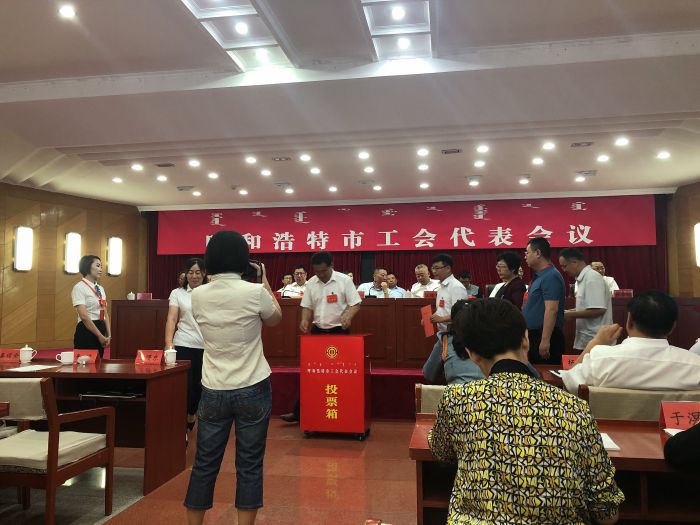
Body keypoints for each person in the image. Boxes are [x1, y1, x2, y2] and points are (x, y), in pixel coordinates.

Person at [429, 299, 624, 524]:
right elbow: (607, 514)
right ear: (526, 339)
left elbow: (441, 451)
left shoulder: (457, 399)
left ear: (472, 354)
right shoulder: (574, 407)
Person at [184, 231, 281, 525]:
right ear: (244, 259)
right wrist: (263, 280)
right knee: (249, 464)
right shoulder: (255, 291)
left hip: (213, 387)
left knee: (204, 463)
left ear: (210, 260)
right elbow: (275, 318)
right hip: (253, 385)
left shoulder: (197, 295)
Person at [561, 291, 700, 393]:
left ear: (629, 320)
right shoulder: (695, 366)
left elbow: (567, 387)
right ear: (673, 327)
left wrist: (593, 344)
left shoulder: (599, 359)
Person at [280, 252, 362, 423]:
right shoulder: (312, 282)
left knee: (340, 375)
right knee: (312, 374)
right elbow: (307, 306)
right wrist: (304, 319)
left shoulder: (344, 281)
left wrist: (348, 315)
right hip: (318, 332)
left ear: (331, 265)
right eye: (317, 272)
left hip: (340, 332)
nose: (320, 275)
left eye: (323, 271)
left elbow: (355, 303)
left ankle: (343, 413)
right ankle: (301, 413)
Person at [165, 257, 206, 433]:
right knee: (185, 386)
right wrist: (169, 344)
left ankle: (191, 413)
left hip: (206, 346)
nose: (194, 276)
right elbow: (172, 318)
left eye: (198, 272)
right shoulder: (177, 293)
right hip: (184, 343)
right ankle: (182, 424)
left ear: (204, 274)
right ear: (185, 274)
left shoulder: (211, 292)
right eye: (190, 272)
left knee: (200, 386)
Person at [422, 254, 472, 383]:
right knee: (433, 372)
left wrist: (441, 319)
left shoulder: (456, 287)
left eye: (437, 268)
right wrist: (429, 319)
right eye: (433, 268)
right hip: (443, 334)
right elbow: (443, 310)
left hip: (453, 336)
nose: (434, 271)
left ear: (448, 268)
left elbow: (461, 313)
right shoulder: (441, 287)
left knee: (432, 372)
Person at [559, 248, 613, 352]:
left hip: (596, 340)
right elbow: (588, 306)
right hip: (590, 338)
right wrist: (569, 311)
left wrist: (569, 315)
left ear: (574, 262)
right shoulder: (584, 278)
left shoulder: (592, 278)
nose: (564, 270)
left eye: (564, 266)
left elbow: (598, 309)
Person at [522, 237, 566, 364]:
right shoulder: (539, 276)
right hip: (534, 335)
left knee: (546, 373)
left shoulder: (551, 276)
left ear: (538, 253)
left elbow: (552, 310)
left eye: (527, 252)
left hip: (545, 336)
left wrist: (545, 341)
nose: (525, 256)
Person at [422, 300, 484, 384]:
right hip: (487, 390)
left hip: (456, 390)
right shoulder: (489, 339)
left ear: (452, 319)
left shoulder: (445, 340)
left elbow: (429, 374)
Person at [71, 255, 111, 357]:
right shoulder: (79, 287)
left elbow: (105, 313)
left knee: (98, 362)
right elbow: (84, 316)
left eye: (101, 266)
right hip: (87, 330)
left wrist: (109, 334)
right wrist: (99, 336)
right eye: (97, 266)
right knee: (85, 363)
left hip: (101, 327)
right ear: (87, 266)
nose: (100, 269)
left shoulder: (100, 288)